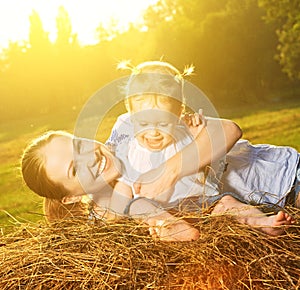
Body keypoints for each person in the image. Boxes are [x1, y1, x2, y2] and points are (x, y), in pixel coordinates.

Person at [21, 130, 295, 237]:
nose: (89, 157)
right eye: (74, 168)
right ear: (68, 197)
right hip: (260, 202)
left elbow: (227, 129)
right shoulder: (109, 214)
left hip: (285, 177)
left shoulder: (131, 135)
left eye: (79, 145)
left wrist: (169, 169)